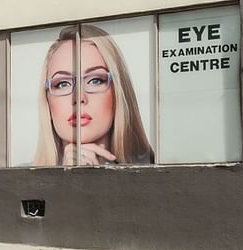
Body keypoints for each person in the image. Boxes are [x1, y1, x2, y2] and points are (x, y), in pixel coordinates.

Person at [34, 24, 155, 167]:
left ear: (117, 91)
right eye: (62, 84)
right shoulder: (20, 182)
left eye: (95, 80)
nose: (78, 97)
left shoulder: (159, 172)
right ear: (47, 99)